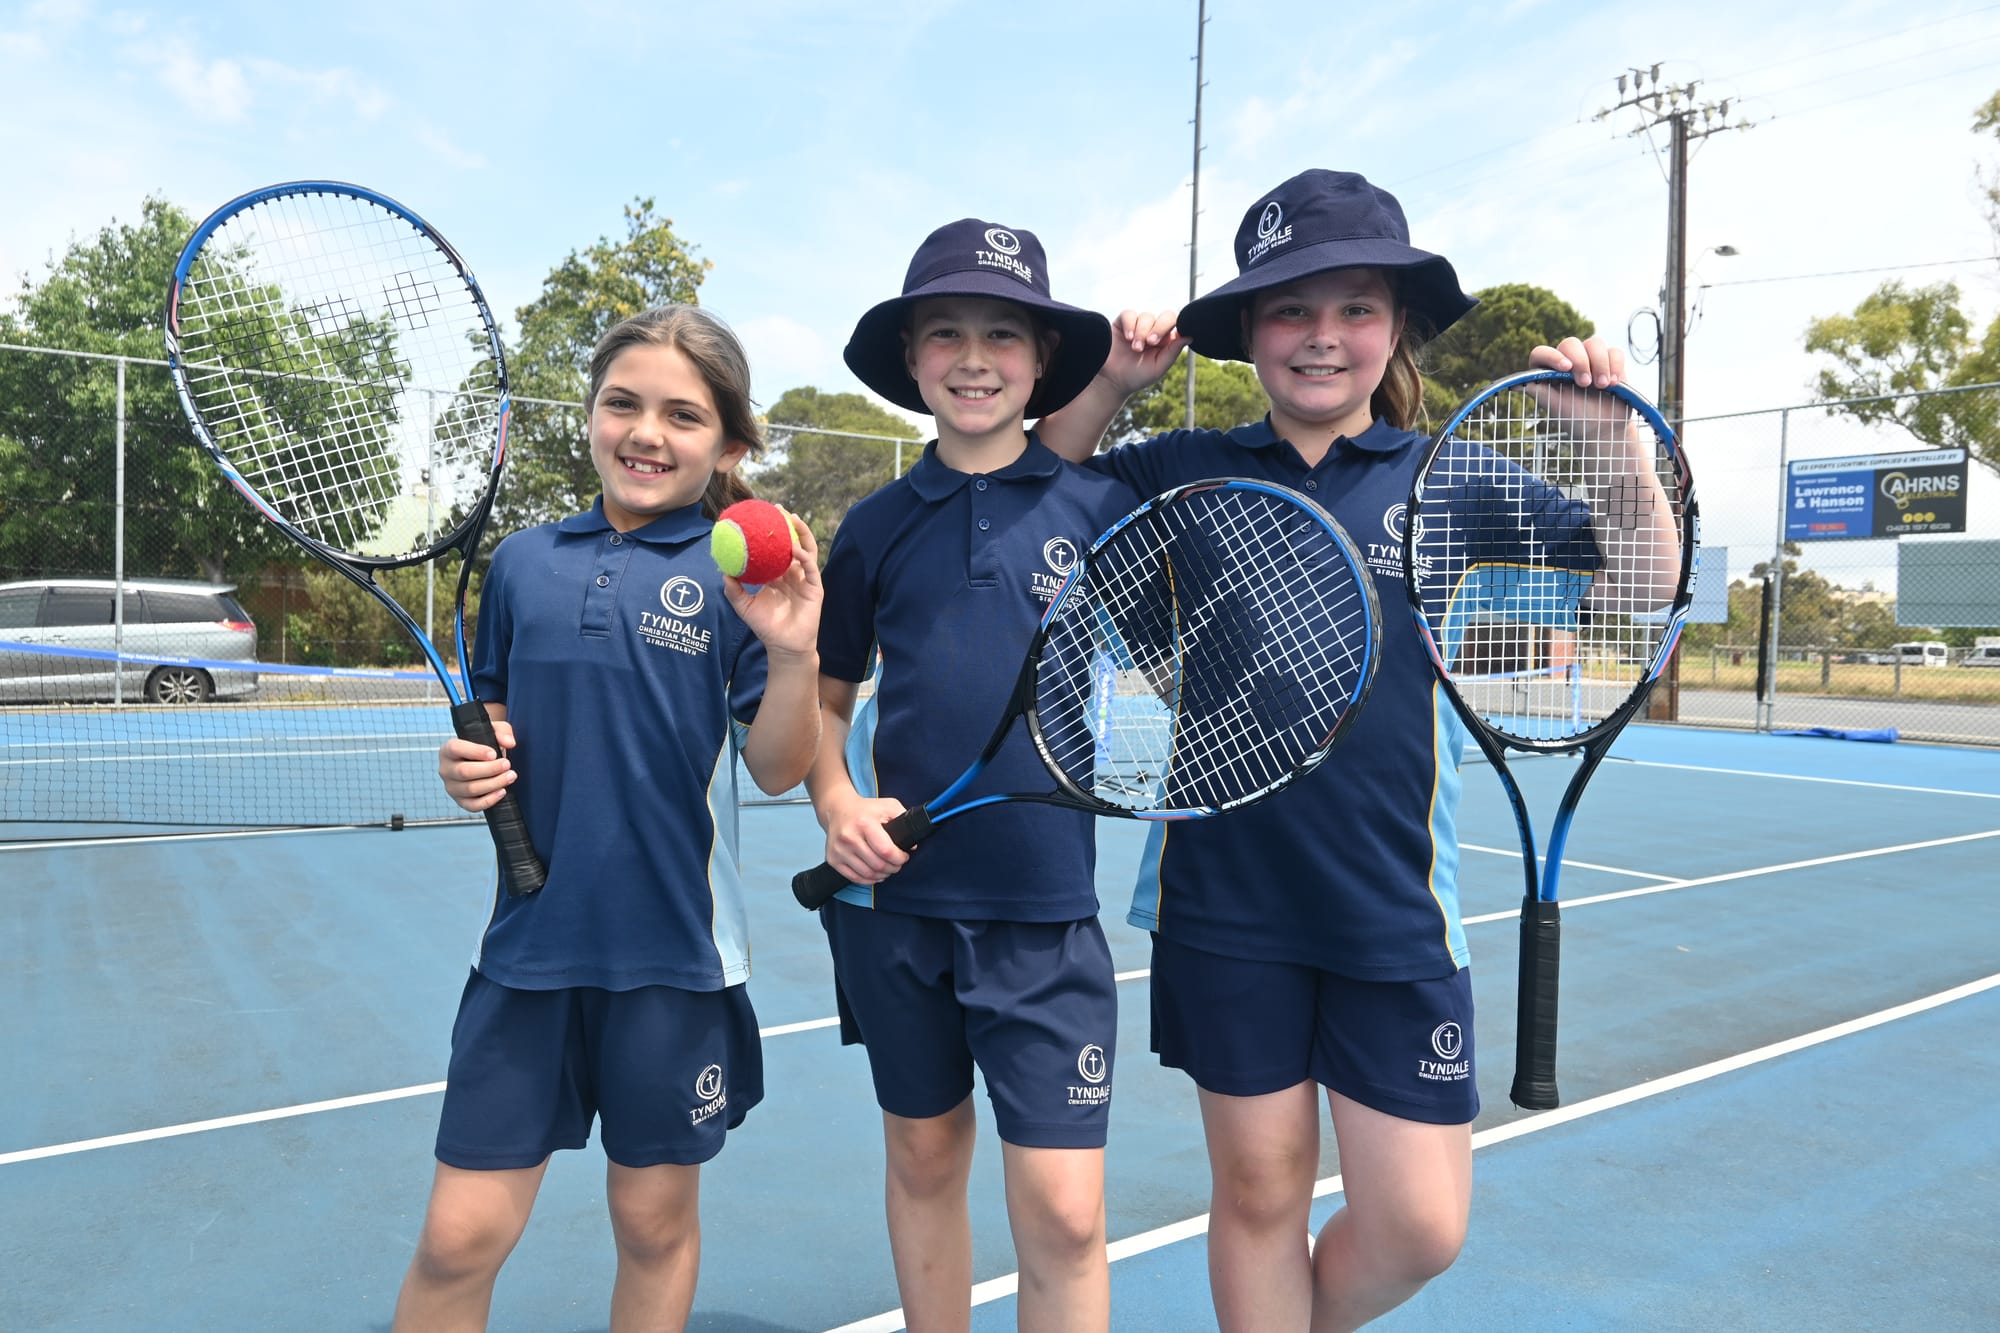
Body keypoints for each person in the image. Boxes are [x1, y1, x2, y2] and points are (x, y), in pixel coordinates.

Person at [1034, 169, 1632, 1332]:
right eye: (1289, 310)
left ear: (1394, 326)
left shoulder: (1446, 473)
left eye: (1354, 307)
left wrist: (1612, 450)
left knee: (1419, 1227)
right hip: (1223, 900)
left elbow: (1636, 581)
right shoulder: (1180, 467)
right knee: (1258, 1194)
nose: (1321, 335)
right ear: (1249, 331)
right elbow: (1040, 489)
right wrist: (1107, 384)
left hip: (1390, 907)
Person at [392, 305, 823, 1332]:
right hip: (527, 951)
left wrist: (795, 652)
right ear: (588, 414)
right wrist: (467, 765)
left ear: (728, 446)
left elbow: (777, 769)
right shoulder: (522, 563)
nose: (646, 432)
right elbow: (493, 721)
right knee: (456, 1238)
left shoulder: (739, 578)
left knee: (652, 1226)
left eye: (683, 415)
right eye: (622, 403)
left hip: (672, 959)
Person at [805, 218, 1140, 1331]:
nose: (974, 357)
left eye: (1002, 334)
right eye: (945, 332)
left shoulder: (1101, 509)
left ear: (1042, 360)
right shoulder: (873, 526)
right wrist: (835, 800)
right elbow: (828, 697)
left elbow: (1182, 655)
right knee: (922, 1160)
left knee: (1066, 1216)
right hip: (896, 911)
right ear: (911, 359)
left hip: (1044, 917)